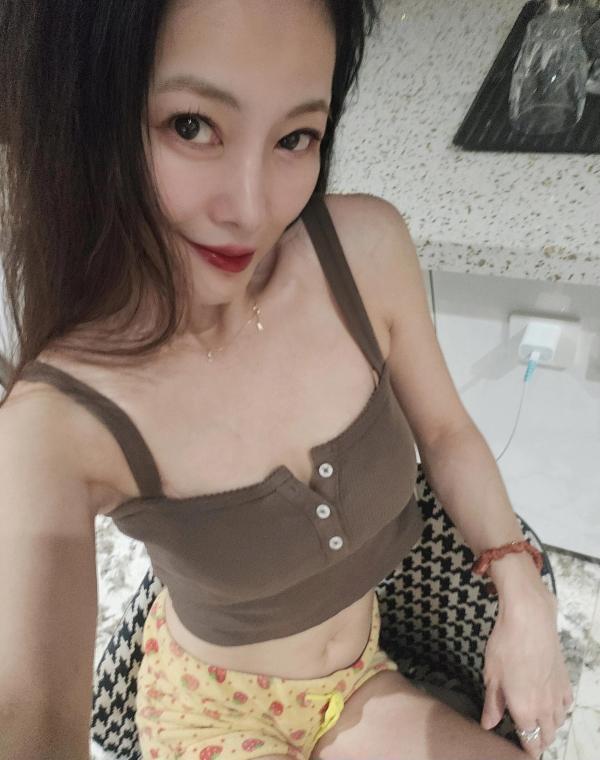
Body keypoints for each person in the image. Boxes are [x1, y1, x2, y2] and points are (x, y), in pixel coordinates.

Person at [0, 1, 573, 759]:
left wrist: (523, 594)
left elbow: (446, 432)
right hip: (213, 715)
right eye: (191, 126)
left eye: (295, 136)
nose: (251, 208)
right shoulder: (57, 419)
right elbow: (26, 710)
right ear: (86, 121)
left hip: (360, 679)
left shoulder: (363, 252)